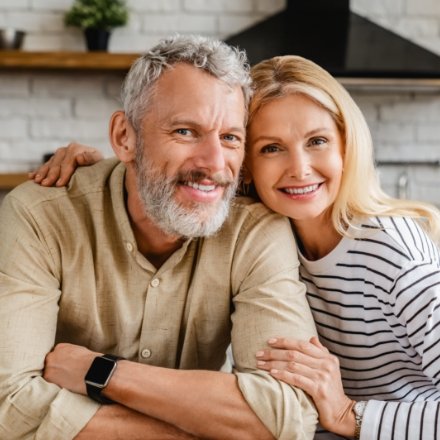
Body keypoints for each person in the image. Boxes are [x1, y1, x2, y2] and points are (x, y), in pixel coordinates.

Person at [42, 54, 440, 440]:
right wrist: (95, 169)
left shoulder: (394, 253)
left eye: (317, 140)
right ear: (244, 161)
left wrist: (350, 415)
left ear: (346, 145)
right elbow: (172, 167)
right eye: (271, 148)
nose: (299, 168)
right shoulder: (262, 233)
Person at [0, 36, 319, 440]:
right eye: (185, 131)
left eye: (230, 138)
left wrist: (103, 373)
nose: (214, 164)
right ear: (124, 137)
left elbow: (289, 415)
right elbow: (9, 405)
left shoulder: (254, 228)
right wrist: (212, 428)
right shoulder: (41, 215)